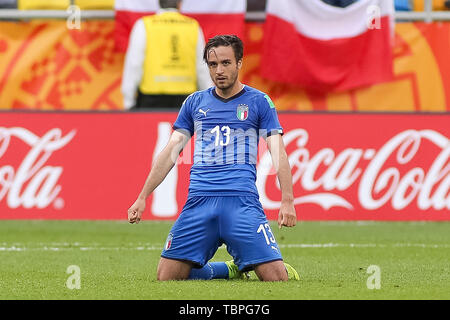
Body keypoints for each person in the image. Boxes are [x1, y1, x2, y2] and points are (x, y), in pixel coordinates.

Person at [128, 35, 299, 281]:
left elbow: (278, 152)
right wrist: (142, 197)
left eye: (226, 63)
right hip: (199, 201)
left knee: (277, 279)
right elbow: (170, 152)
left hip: (241, 202)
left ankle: (267, 264)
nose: (219, 71)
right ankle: (229, 269)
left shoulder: (259, 102)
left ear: (240, 63)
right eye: (212, 65)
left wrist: (287, 200)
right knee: (166, 277)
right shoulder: (194, 102)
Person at [121, 0, 213, 110]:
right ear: (180, 3)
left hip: (151, 98)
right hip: (186, 99)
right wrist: (210, 100)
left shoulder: (144, 25)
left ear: (159, 2)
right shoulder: (193, 26)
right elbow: (202, 68)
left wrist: (128, 101)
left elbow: (134, 64)